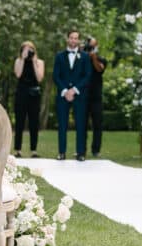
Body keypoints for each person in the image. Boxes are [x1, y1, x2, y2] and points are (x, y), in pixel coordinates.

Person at [53, 30, 92, 161]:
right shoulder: (59, 56)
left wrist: (74, 90)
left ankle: (80, 153)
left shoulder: (85, 57)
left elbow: (87, 76)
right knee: (62, 125)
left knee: (81, 124)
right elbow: (56, 76)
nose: (73, 40)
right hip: (63, 95)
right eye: (71, 38)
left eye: (76, 38)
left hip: (79, 95)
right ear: (67, 39)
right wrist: (65, 91)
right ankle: (61, 152)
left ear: (78, 40)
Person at [12, 41, 45, 157]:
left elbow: (40, 78)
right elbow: (18, 74)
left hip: (34, 95)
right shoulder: (18, 61)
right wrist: (22, 58)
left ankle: (33, 150)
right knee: (19, 121)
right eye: (25, 49)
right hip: (21, 93)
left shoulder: (39, 62)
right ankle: (17, 150)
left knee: (34, 122)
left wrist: (34, 62)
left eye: (30, 49)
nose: (28, 51)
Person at [84, 36, 107, 157]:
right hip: (83, 96)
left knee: (97, 124)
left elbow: (99, 69)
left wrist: (93, 58)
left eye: (93, 46)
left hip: (96, 97)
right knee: (82, 124)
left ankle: (96, 150)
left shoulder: (101, 59)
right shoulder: (82, 58)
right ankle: (81, 148)